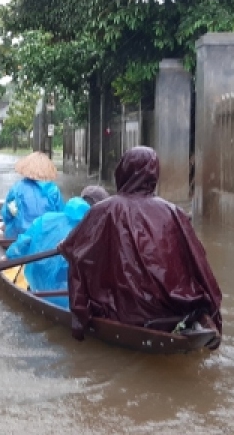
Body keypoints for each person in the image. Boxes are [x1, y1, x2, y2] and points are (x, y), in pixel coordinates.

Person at [58, 146, 223, 348]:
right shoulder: (174, 212)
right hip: (177, 308)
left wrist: (67, 248)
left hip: (125, 313)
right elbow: (200, 264)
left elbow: (76, 256)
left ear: (122, 171)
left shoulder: (105, 209)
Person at [4, 196, 91, 292]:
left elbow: (23, 242)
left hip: (35, 282)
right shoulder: (91, 232)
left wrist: (7, 258)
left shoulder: (46, 218)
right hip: (68, 294)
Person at [2, 151, 64, 238]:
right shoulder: (53, 189)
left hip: (21, 233)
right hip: (45, 234)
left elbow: (8, 213)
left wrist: (7, 224)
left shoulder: (17, 188)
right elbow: (61, 214)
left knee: (4, 233)